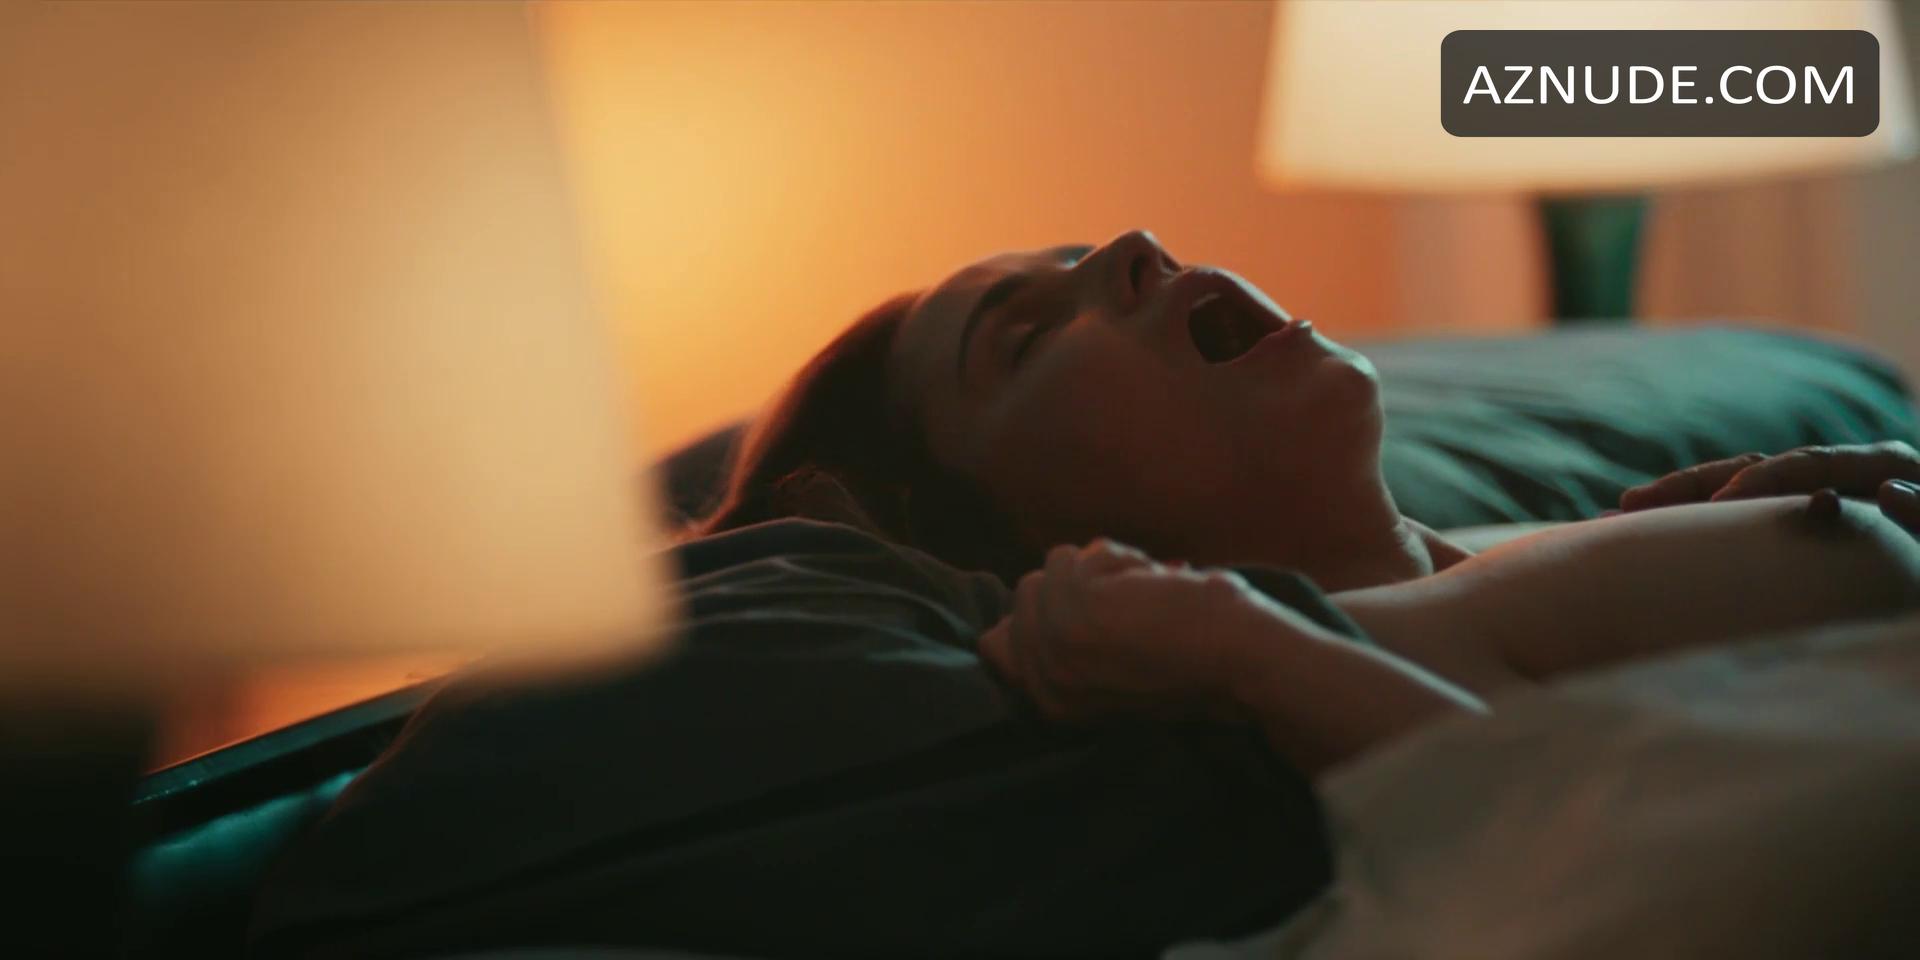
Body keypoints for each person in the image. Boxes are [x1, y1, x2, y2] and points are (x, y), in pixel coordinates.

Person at [698, 229, 1920, 775]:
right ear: (1011, 535)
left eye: (1075, 257)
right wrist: (1253, 653)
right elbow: (1571, 825)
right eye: (1021, 339)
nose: (1134, 242)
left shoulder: (1490, 563)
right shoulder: (1284, 658)